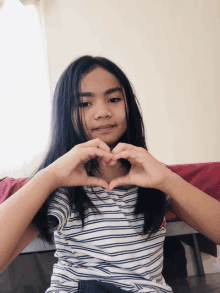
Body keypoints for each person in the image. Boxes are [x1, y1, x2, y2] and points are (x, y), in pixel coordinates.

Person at [0, 56, 220, 293]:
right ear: (66, 113)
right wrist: (48, 177)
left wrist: (168, 180)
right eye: (84, 104)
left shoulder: (154, 180)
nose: (103, 112)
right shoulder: (63, 187)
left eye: (114, 99)